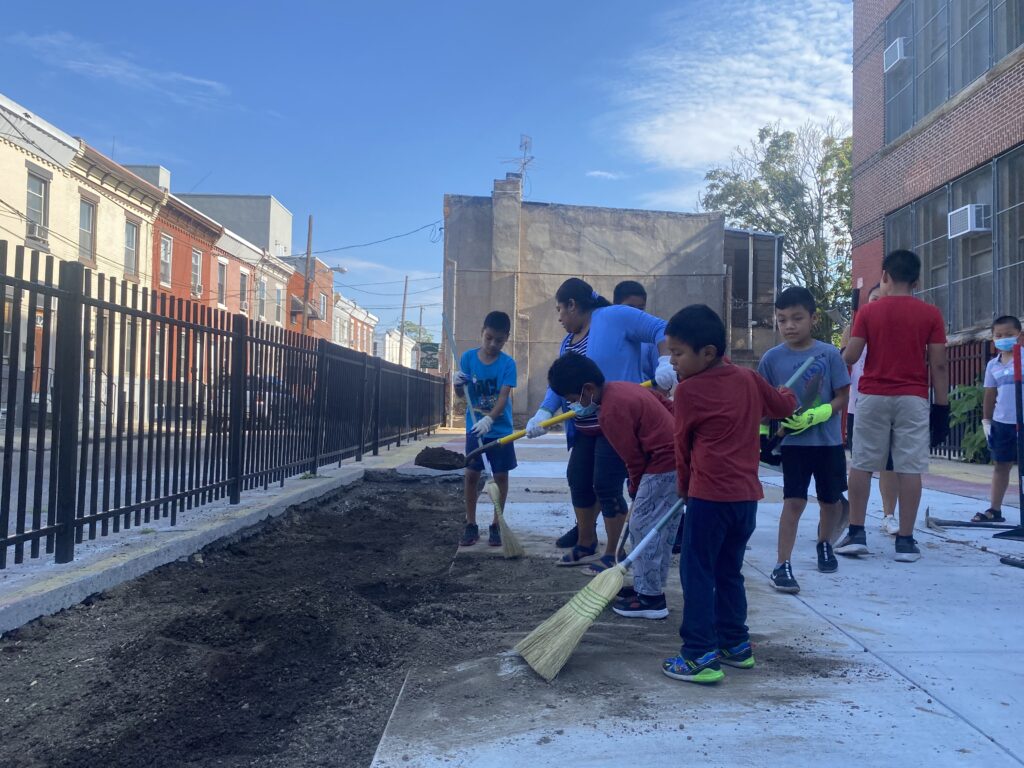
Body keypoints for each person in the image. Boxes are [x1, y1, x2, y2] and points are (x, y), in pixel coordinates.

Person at [660, 304, 797, 684]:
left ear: (707, 353)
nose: (673, 362)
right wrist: (788, 394)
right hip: (745, 500)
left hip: (708, 497)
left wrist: (684, 489)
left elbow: (681, 446)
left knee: (697, 572)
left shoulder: (687, 392)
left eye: (678, 353)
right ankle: (735, 644)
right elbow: (784, 406)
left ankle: (699, 655)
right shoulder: (750, 379)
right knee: (728, 570)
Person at [525, 278, 675, 572]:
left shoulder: (615, 316)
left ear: (572, 305)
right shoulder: (567, 342)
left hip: (617, 421)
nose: (559, 318)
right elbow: (560, 384)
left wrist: (666, 361)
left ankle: (613, 552)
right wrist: (543, 413)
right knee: (578, 480)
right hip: (584, 425)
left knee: (606, 484)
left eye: (560, 310)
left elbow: (662, 328)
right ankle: (585, 542)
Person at [547, 353, 681, 619]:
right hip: (672, 458)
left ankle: (652, 600)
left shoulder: (610, 412)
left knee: (645, 528)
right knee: (652, 530)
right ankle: (646, 587)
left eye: (573, 399)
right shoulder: (623, 388)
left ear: (587, 389)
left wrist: (635, 488)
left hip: (663, 464)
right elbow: (665, 404)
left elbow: (631, 458)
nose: (573, 406)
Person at [839, 250, 949, 562]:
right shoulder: (930, 314)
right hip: (913, 397)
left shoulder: (868, 313)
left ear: (885, 276)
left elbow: (851, 357)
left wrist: (840, 351)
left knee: (862, 463)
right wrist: (942, 406)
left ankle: (857, 532)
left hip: (872, 396)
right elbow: (939, 365)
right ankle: (905, 540)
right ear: (917, 281)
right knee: (909, 467)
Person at [757, 287, 850, 594]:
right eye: (782, 319)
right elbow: (762, 402)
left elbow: (842, 396)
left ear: (813, 318)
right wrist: (761, 435)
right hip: (794, 445)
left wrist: (820, 413)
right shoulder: (772, 359)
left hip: (828, 442)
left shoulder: (828, 353)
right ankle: (782, 564)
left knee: (830, 500)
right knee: (794, 501)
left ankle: (825, 543)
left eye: (797, 318)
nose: (789, 326)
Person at [453, 311, 517, 548]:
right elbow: (462, 396)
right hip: (474, 431)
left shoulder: (507, 364)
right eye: (488, 337)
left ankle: (496, 524)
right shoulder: (468, 359)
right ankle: (470, 523)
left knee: (500, 476)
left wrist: (489, 419)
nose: (492, 344)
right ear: (482, 332)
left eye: (499, 340)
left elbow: (502, 398)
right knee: (471, 475)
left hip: (500, 431)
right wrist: (457, 385)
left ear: (506, 339)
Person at [844, 283, 900, 536]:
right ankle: (856, 522)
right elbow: (843, 361)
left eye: (883, 298)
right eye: (874, 299)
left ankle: (889, 515)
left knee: (889, 464)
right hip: (859, 404)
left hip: (889, 404)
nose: (879, 303)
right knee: (861, 464)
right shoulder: (855, 329)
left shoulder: (896, 330)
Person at [977, 316, 1023, 522]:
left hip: (1021, 421)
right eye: (999, 335)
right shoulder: (992, 365)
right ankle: (995, 509)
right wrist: (986, 420)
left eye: (1009, 335)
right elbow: (990, 393)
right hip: (1002, 422)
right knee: (1001, 465)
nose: (1003, 339)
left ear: (1019, 336)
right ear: (992, 338)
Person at [613, 280, 661, 384]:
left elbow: (661, 380)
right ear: (615, 307)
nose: (636, 314)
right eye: (630, 309)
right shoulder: (605, 335)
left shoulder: (651, 340)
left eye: (640, 309)